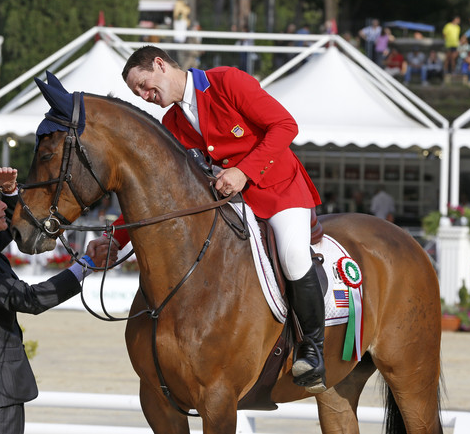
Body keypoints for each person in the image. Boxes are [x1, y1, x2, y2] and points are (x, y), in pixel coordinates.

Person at [100, 45, 326, 393]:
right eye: (138, 94)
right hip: (227, 201)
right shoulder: (171, 124)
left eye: (144, 85)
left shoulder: (226, 82)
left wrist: (243, 172)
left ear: (160, 64)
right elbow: (155, 197)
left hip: (277, 189)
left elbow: (285, 125)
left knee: (294, 256)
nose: (145, 97)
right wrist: (115, 239)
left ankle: (313, 349)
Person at [0, 167, 117, 434]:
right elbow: (30, 299)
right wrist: (85, 265)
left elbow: (9, 223)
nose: (0, 206)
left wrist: (9, 191)